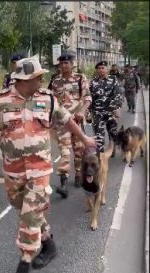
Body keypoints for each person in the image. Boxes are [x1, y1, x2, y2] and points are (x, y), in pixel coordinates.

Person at [0, 57, 96, 273]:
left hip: (40, 171)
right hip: (13, 172)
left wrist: (84, 139)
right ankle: (49, 244)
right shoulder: (0, 102)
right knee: (27, 213)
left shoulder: (47, 99)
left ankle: (22, 269)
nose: (42, 79)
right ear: (25, 79)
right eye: (38, 76)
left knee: (29, 219)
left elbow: (67, 120)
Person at [50, 52, 92, 198]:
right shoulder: (55, 81)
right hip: (62, 123)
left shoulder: (81, 79)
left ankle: (79, 172)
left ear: (72, 63)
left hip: (77, 121)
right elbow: (51, 102)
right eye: (61, 63)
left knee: (79, 151)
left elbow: (87, 98)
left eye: (66, 63)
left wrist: (82, 110)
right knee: (65, 152)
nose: (63, 65)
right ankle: (63, 181)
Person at [89, 61, 123, 156]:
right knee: (99, 135)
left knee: (113, 133)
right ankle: (100, 155)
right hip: (97, 113)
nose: (100, 70)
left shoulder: (113, 79)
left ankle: (112, 148)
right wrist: (88, 112)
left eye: (102, 68)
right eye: (98, 68)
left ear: (107, 69)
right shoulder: (93, 82)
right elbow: (89, 97)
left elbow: (118, 94)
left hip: (110, 112)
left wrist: (116, 108)